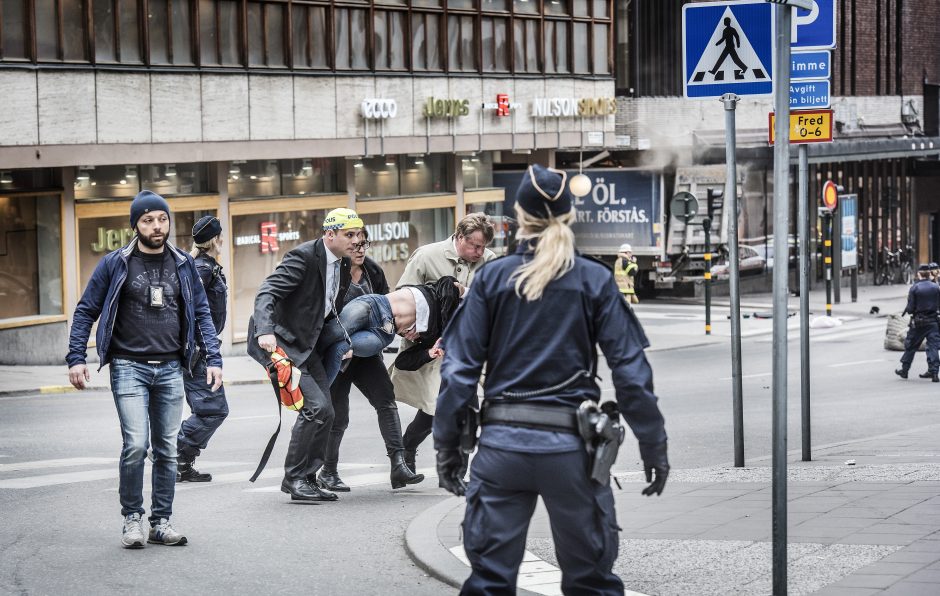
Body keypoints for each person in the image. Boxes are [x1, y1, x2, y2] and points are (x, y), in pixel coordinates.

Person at [433, 165, 670, 594]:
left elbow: (457, 374)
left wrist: (448, 451)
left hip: (502, 449)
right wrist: (655, 448)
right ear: (568, 217)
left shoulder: (491, 279)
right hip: (572, 453)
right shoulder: (594, 279)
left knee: (489, 581)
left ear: (519, 215)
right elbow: (633, 376)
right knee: (591, 583)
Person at [66, 190, 223, 548]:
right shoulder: (116, 263)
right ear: (135, 224)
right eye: (148, 220)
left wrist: (214, 359)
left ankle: (161, 522)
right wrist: (76, 357)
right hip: (128, 367)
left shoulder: (183, 264)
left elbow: (201, 314)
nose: (157, 226)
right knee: (136, 445)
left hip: (170, 368)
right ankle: (132, 519)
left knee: (166, 449)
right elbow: (86, 309)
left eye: (162, 219)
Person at [246, 207, 361, 502]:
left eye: (358, 234)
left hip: (308, 345)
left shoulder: (344, 264)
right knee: (316, 408)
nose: (356, 240)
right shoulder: (304, 257)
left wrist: (342, 341)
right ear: (330, 234)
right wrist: (265, 331)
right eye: (349, 234)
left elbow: (328, 307)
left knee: (328, 411)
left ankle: (308, 477)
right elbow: (267, 292)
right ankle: (294, 478)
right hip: (281, 342)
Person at [320, 232, 425, 492]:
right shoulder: (333, 272)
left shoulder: (373, 271)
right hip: (339, 353)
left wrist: (404, 329)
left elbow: (388, 307)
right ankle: (328, 471)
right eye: (354, 244)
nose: (359, 249)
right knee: (338, 416)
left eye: (364, 244)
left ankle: (399, 466)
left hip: (366, 354)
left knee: (386, 401)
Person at [392, 213, 496, 473]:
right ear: (460, 237)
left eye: (483, 246)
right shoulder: (427, 255)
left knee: (467, 409)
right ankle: (407, 448)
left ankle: (459, 472)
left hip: (468, 350)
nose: (480, 251)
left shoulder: (490, 262)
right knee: (433, 411)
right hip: (433, 349)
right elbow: (402, 295)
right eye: (474, 245)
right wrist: (409, 332)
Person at [176, 215, 229, 482]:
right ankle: (174, 450)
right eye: (221, 236)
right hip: (198, 352)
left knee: (209, 409)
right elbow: (193, 314)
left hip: (202, 349)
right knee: (214, 410)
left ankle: (182, 465)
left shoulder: (205, 266)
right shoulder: (201, 269)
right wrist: (206, 352)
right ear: (215, 239)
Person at [896, 264, 940, 382]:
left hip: (919, 322)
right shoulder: (936, 287)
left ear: (919, 274)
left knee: (911, 346)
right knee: (933, 347)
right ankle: (935, 373)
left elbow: (910, 308)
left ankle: (904, 370)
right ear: (929, 274)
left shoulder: (915, 288)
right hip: (933, 322)